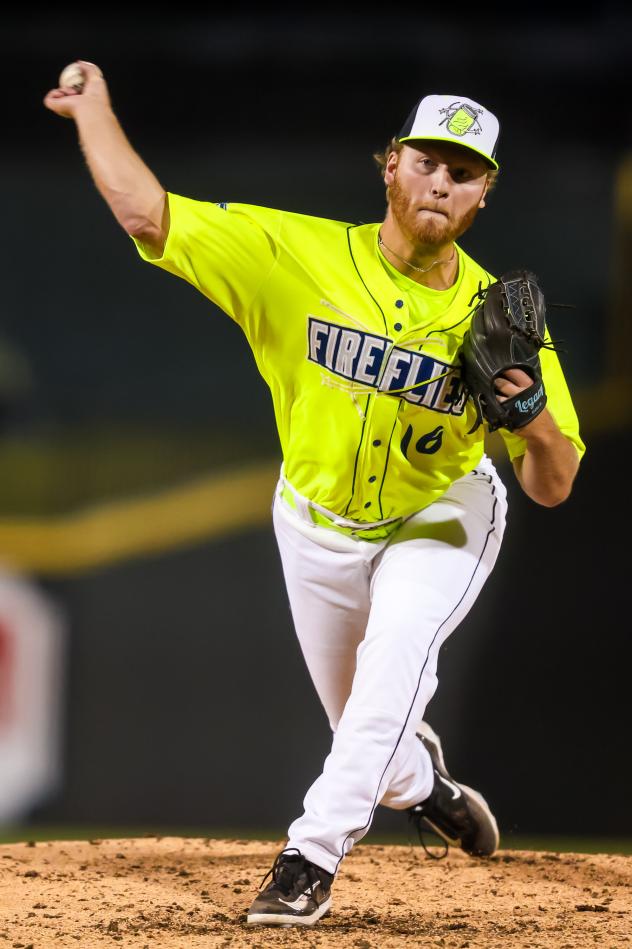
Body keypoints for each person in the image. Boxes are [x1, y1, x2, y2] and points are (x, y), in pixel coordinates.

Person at [44, 67, 584, 928]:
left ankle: (309, 857)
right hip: (315, 522)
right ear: (391, 164)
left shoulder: (502, 317)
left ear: (484, 192)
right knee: (366, 724)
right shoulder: (296, 256)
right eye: (427, 160)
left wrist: (534, 420)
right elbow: (149, 214)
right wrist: (95, 111)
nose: (441, 180)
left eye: (465, 169)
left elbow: (552, 484)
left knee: (392, 663)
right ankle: (420, 782)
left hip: (444, 512)